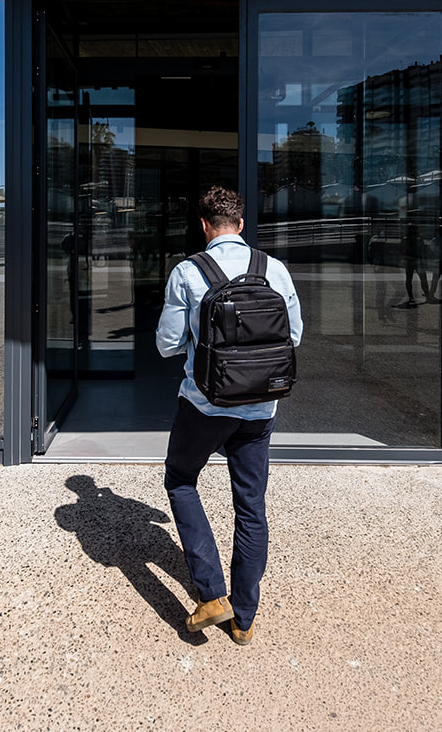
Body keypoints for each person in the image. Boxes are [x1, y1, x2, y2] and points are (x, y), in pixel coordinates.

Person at [154, 184, 303, 646]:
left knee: (181, 479)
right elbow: (293, 337)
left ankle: (212, 593)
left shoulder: (187, 272)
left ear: (204, 226)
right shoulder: (273, 269)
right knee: (251, 506)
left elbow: (166, 345)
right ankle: (244, 618)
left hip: (206, 404)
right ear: (240, 225)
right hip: (261, 408)